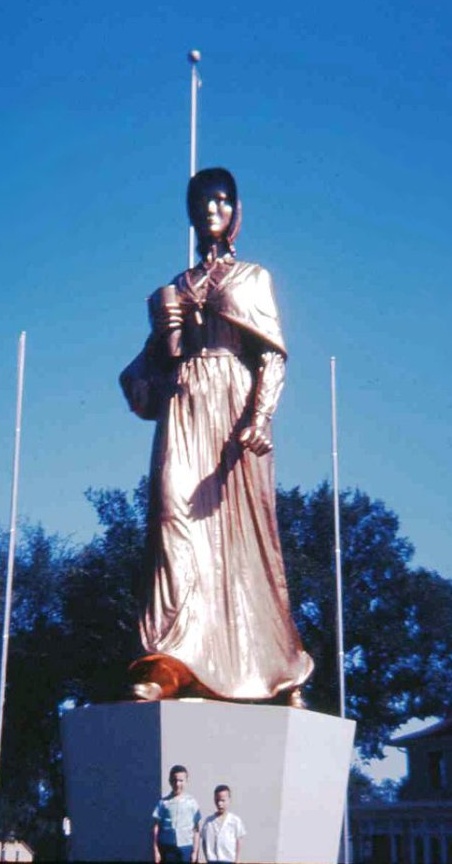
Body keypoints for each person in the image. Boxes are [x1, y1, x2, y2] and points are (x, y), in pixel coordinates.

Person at [121, 167, 314, 704]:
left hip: (234, 407)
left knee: (243, 534)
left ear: (237, 211)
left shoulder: (253, 279)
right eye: (203, 201)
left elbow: (272, 354)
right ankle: (169, 659)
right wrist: (164, 335)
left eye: (223, 200)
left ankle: (274, 667)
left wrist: (260, 416)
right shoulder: (177, 287)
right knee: (169, 514)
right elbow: (141, 382)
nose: (212, 210)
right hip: (185, 403)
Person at [152, 764, 201, 863]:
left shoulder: (192, 803)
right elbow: (156, 827)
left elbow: (196, 830)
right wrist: (156, 850)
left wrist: (195, 851)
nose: (177, 784)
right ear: (170, 781)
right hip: (167, 847)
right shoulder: (163, 803)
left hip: (186, 848)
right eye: (175, 780)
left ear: (186, 781)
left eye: (181, 781)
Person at [200, 785, 245, 863]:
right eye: (217, 800)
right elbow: (204, 841)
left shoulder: (235, 821)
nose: (220, 804)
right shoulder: (209, 821)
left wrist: (237, 860)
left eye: (223, 800)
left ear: (229, 800)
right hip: (213, 860)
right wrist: (207, 858)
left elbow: (239, 840)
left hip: (228, 860)